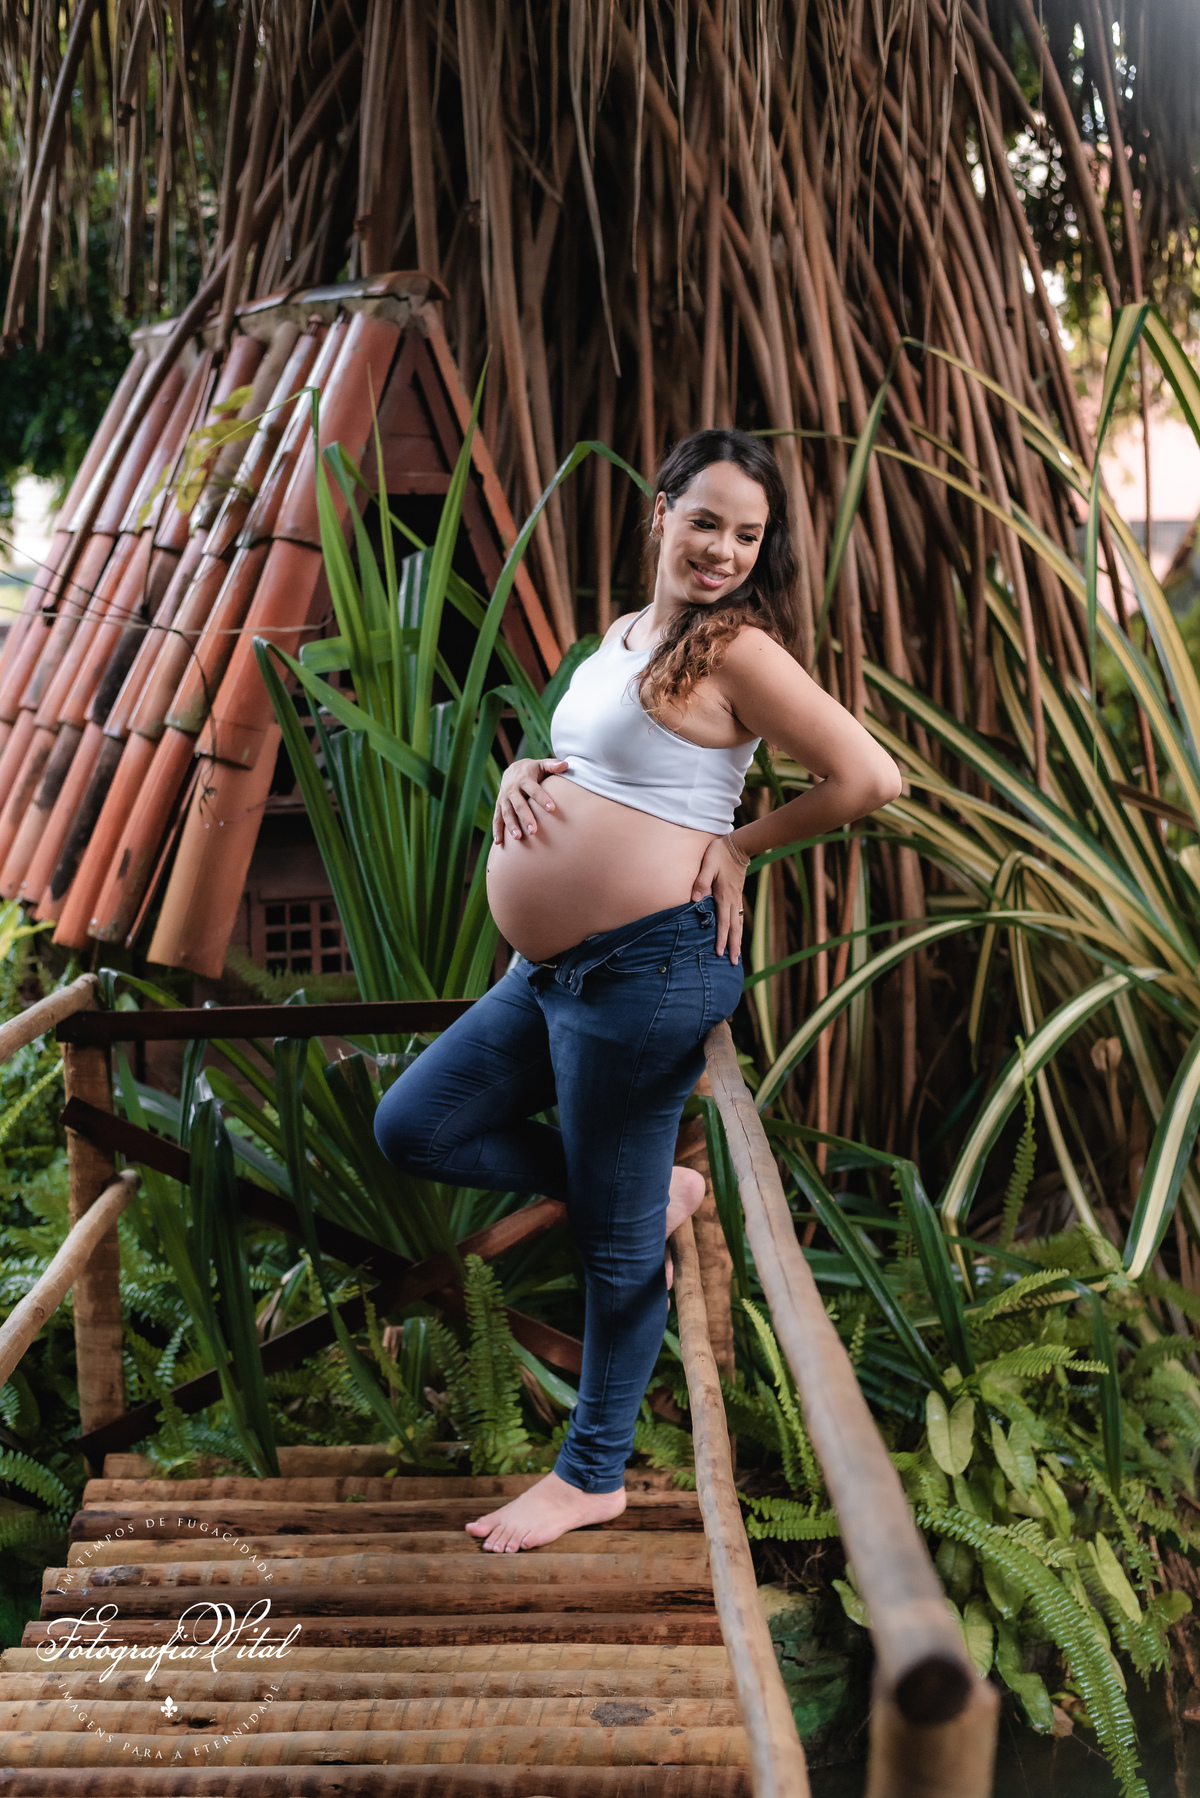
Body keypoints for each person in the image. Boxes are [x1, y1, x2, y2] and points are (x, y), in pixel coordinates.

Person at [374, 427, 901, 1552]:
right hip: (551, 971)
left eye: (747, 535)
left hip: (650, 969)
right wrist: (526, 768)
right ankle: (640, 1190)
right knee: (413, 1122)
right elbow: (606, 763)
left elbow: (868, 777)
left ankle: (591, 1473)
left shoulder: (739, 650)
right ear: (659, 512)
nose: (722, 550)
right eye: (705, 520)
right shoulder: (622, 636)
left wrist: (745, 842)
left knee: (618, 1257)